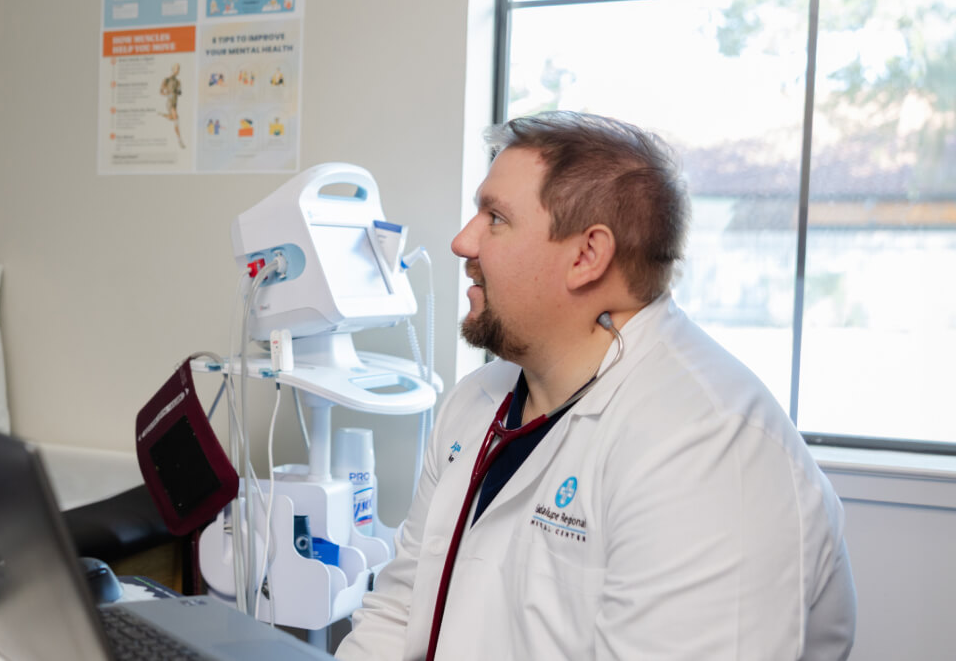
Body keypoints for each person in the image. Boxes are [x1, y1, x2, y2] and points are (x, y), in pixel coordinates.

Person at [337, 111, 855, 661]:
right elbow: (398, 614)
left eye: (495, 218)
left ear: (587, 256)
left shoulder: (710, 446)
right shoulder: (476, 402)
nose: (463, 243)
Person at [159, 63, 185, 149]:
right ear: (173, 69)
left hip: (175, 102)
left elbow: (180, 93)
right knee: (176, 118)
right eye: (176, 69)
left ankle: (161, 115)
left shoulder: (178, 82)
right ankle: (180, 140)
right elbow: (161, 91)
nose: (178, 71)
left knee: (172, 117)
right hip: (170, 103)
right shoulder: (166, 80)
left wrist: (178, 91)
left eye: (179, 69)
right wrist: (167, 94)